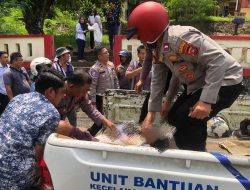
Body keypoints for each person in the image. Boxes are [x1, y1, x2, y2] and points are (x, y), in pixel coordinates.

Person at [127, 1, 244, 151]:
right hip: (200, 84)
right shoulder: (157, 46)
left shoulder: (180, 38)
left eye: (139, 35)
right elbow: (158, 80)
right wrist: (151, 113)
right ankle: (184, 152)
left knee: (188, 119)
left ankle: (196, 160)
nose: (139, 39)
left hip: (227, 81)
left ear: (148, 29)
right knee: (174, 116)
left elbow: (217, 59)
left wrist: (206, 101)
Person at [0, 70, 68, 189]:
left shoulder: (18, 98)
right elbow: (39, 150)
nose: (64, 97)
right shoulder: (51, 113)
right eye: (62, 93)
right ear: (50, 91)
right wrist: (38, 175)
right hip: (17, 175)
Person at [88, 46, 119, 136]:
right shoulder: (95, 69)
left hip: (112, 97)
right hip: (100, 98)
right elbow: (92, 87)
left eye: (107, 52)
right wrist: (93, 102)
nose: (108, 54)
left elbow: (115, 79)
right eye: (105, 53)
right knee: (100, 120)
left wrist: (117, 91)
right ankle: (88, 135)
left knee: (111, 117)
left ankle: (106, 136)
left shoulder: (111, 65)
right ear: (99, 56)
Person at [53, 47, 76, 126]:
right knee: (60, 120)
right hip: (59, 98)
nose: (69, 55)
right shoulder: (54, 67)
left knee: (73, 119)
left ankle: (74, 135)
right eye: (67, 54)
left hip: (69, 97)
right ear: (62, 56)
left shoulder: (71, 67)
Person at [0, 51, 9, 116]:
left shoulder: (10, 67)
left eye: (7, 57)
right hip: (1, 93)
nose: (7, 59)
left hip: (10, 92)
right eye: (4, 57)